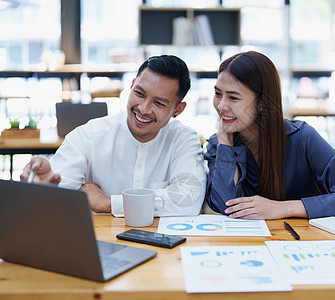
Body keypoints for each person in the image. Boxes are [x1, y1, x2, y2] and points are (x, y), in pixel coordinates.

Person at [21, 55, 206, 217]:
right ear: (132, 85)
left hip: (165, 249)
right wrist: (46, 186)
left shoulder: (183, 139)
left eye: (158, 103)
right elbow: (58, 193)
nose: (143, 108)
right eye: (139, 94)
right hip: (99, 245)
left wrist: (108, 203)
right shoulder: (90, 135)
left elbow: (189, 199)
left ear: (178, 110)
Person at [204, 51, 335, 220]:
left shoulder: (302, 137)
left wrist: (283, 208)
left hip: (306, 242)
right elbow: (225, 206)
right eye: (218, 94)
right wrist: (225, 143)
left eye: (233, 98)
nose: (221, 106)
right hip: (252, 245)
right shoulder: (218, 144)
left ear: (262, 103)